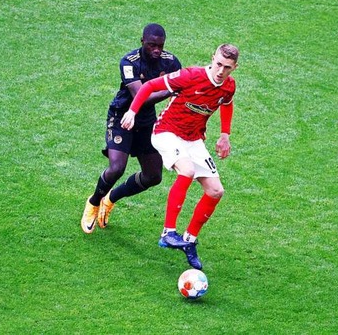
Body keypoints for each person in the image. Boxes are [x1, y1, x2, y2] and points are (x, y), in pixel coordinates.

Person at [120, 43, 239, 270]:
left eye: (227, 67)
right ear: (212, 57)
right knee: (187, 170)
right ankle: (168, 232)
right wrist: (132, 111)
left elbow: (227, 103)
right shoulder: (190, 76)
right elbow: (149, 87)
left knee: (216, 191)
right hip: (166, 132)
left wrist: (225, 134)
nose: (221, 71)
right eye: (219, 64)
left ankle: (189, 240)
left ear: (235, 67)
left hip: (193, 139)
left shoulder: (228, 86)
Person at [81, 24, 182, 234]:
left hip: (146, 122)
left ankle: (111, 198)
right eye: (152, 45)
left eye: (160, 46)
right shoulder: (129, 62)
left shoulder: (171, 62)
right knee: (117, 168)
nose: (157, 50)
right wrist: (171, 90)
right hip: (122, 117)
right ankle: (94, 201)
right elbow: (141, 96)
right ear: (142, 41)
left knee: (154, 176)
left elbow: (185, 87)